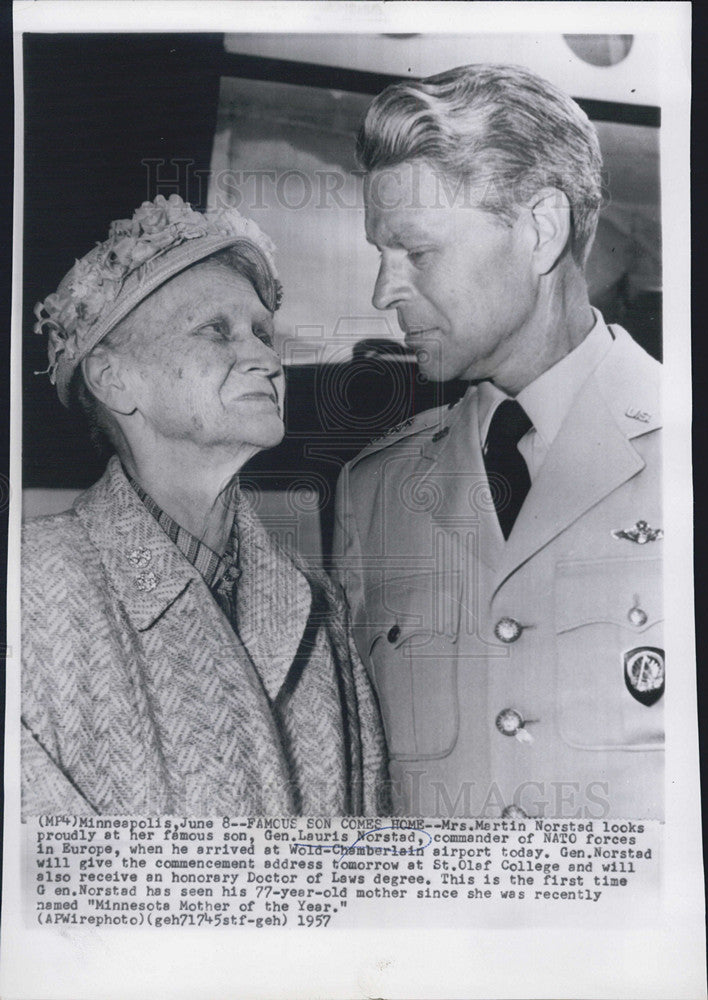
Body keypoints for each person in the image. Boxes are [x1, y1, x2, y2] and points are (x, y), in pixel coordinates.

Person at [333, 65, 663, 819]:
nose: (383, 292)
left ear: (540, 231)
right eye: (381, 256)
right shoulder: (373, 491)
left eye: (416, 252)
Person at [24, 194, 387, 817]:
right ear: (114, 380)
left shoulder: (317, 604)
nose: (268, 360)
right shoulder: (32, 586)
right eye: (215, 330)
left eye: (263, 334)